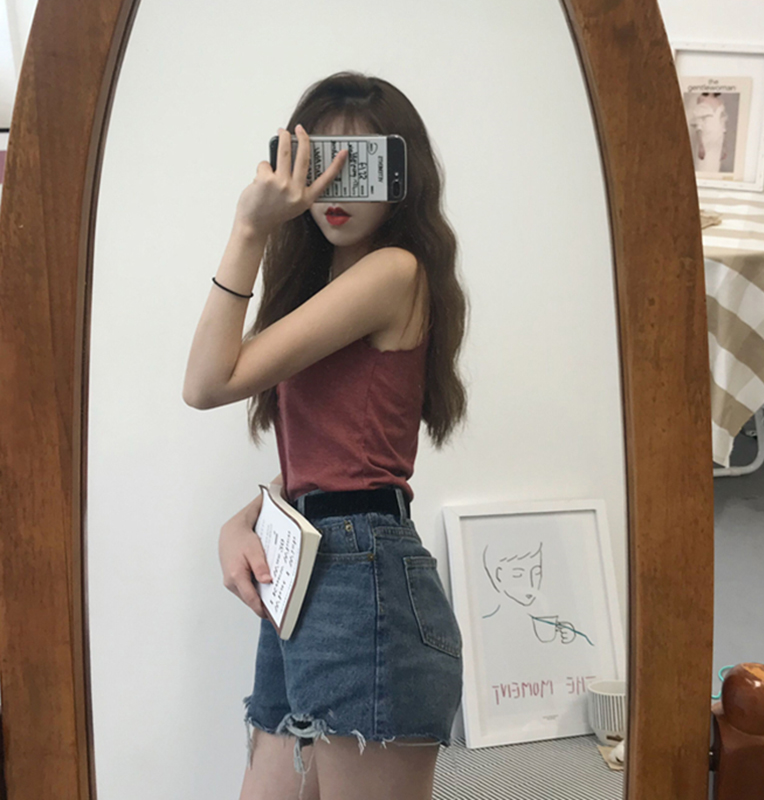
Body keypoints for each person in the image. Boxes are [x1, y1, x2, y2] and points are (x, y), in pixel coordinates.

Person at [182, 71, 469, 800]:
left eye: (361, 163)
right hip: (310, 572)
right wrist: (246, 518)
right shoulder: (321, 290)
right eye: (320, 163)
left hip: (364, 580)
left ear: (401, 175)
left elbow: (206, 384)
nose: (337, 185)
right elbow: (337, 458)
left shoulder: (394, 272)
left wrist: (249, 229)